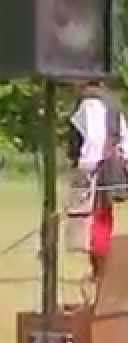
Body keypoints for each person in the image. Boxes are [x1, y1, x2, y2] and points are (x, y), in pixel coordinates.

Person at [67, 81, 128, 279]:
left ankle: (101, 272)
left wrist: (86, 169)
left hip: (98, 165)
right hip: (113, 163)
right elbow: (124, 138)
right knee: (102, 218)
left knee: (91, 221)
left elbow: (94, 139)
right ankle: (100, 271)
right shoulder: (113, 101)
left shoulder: (90, 101)